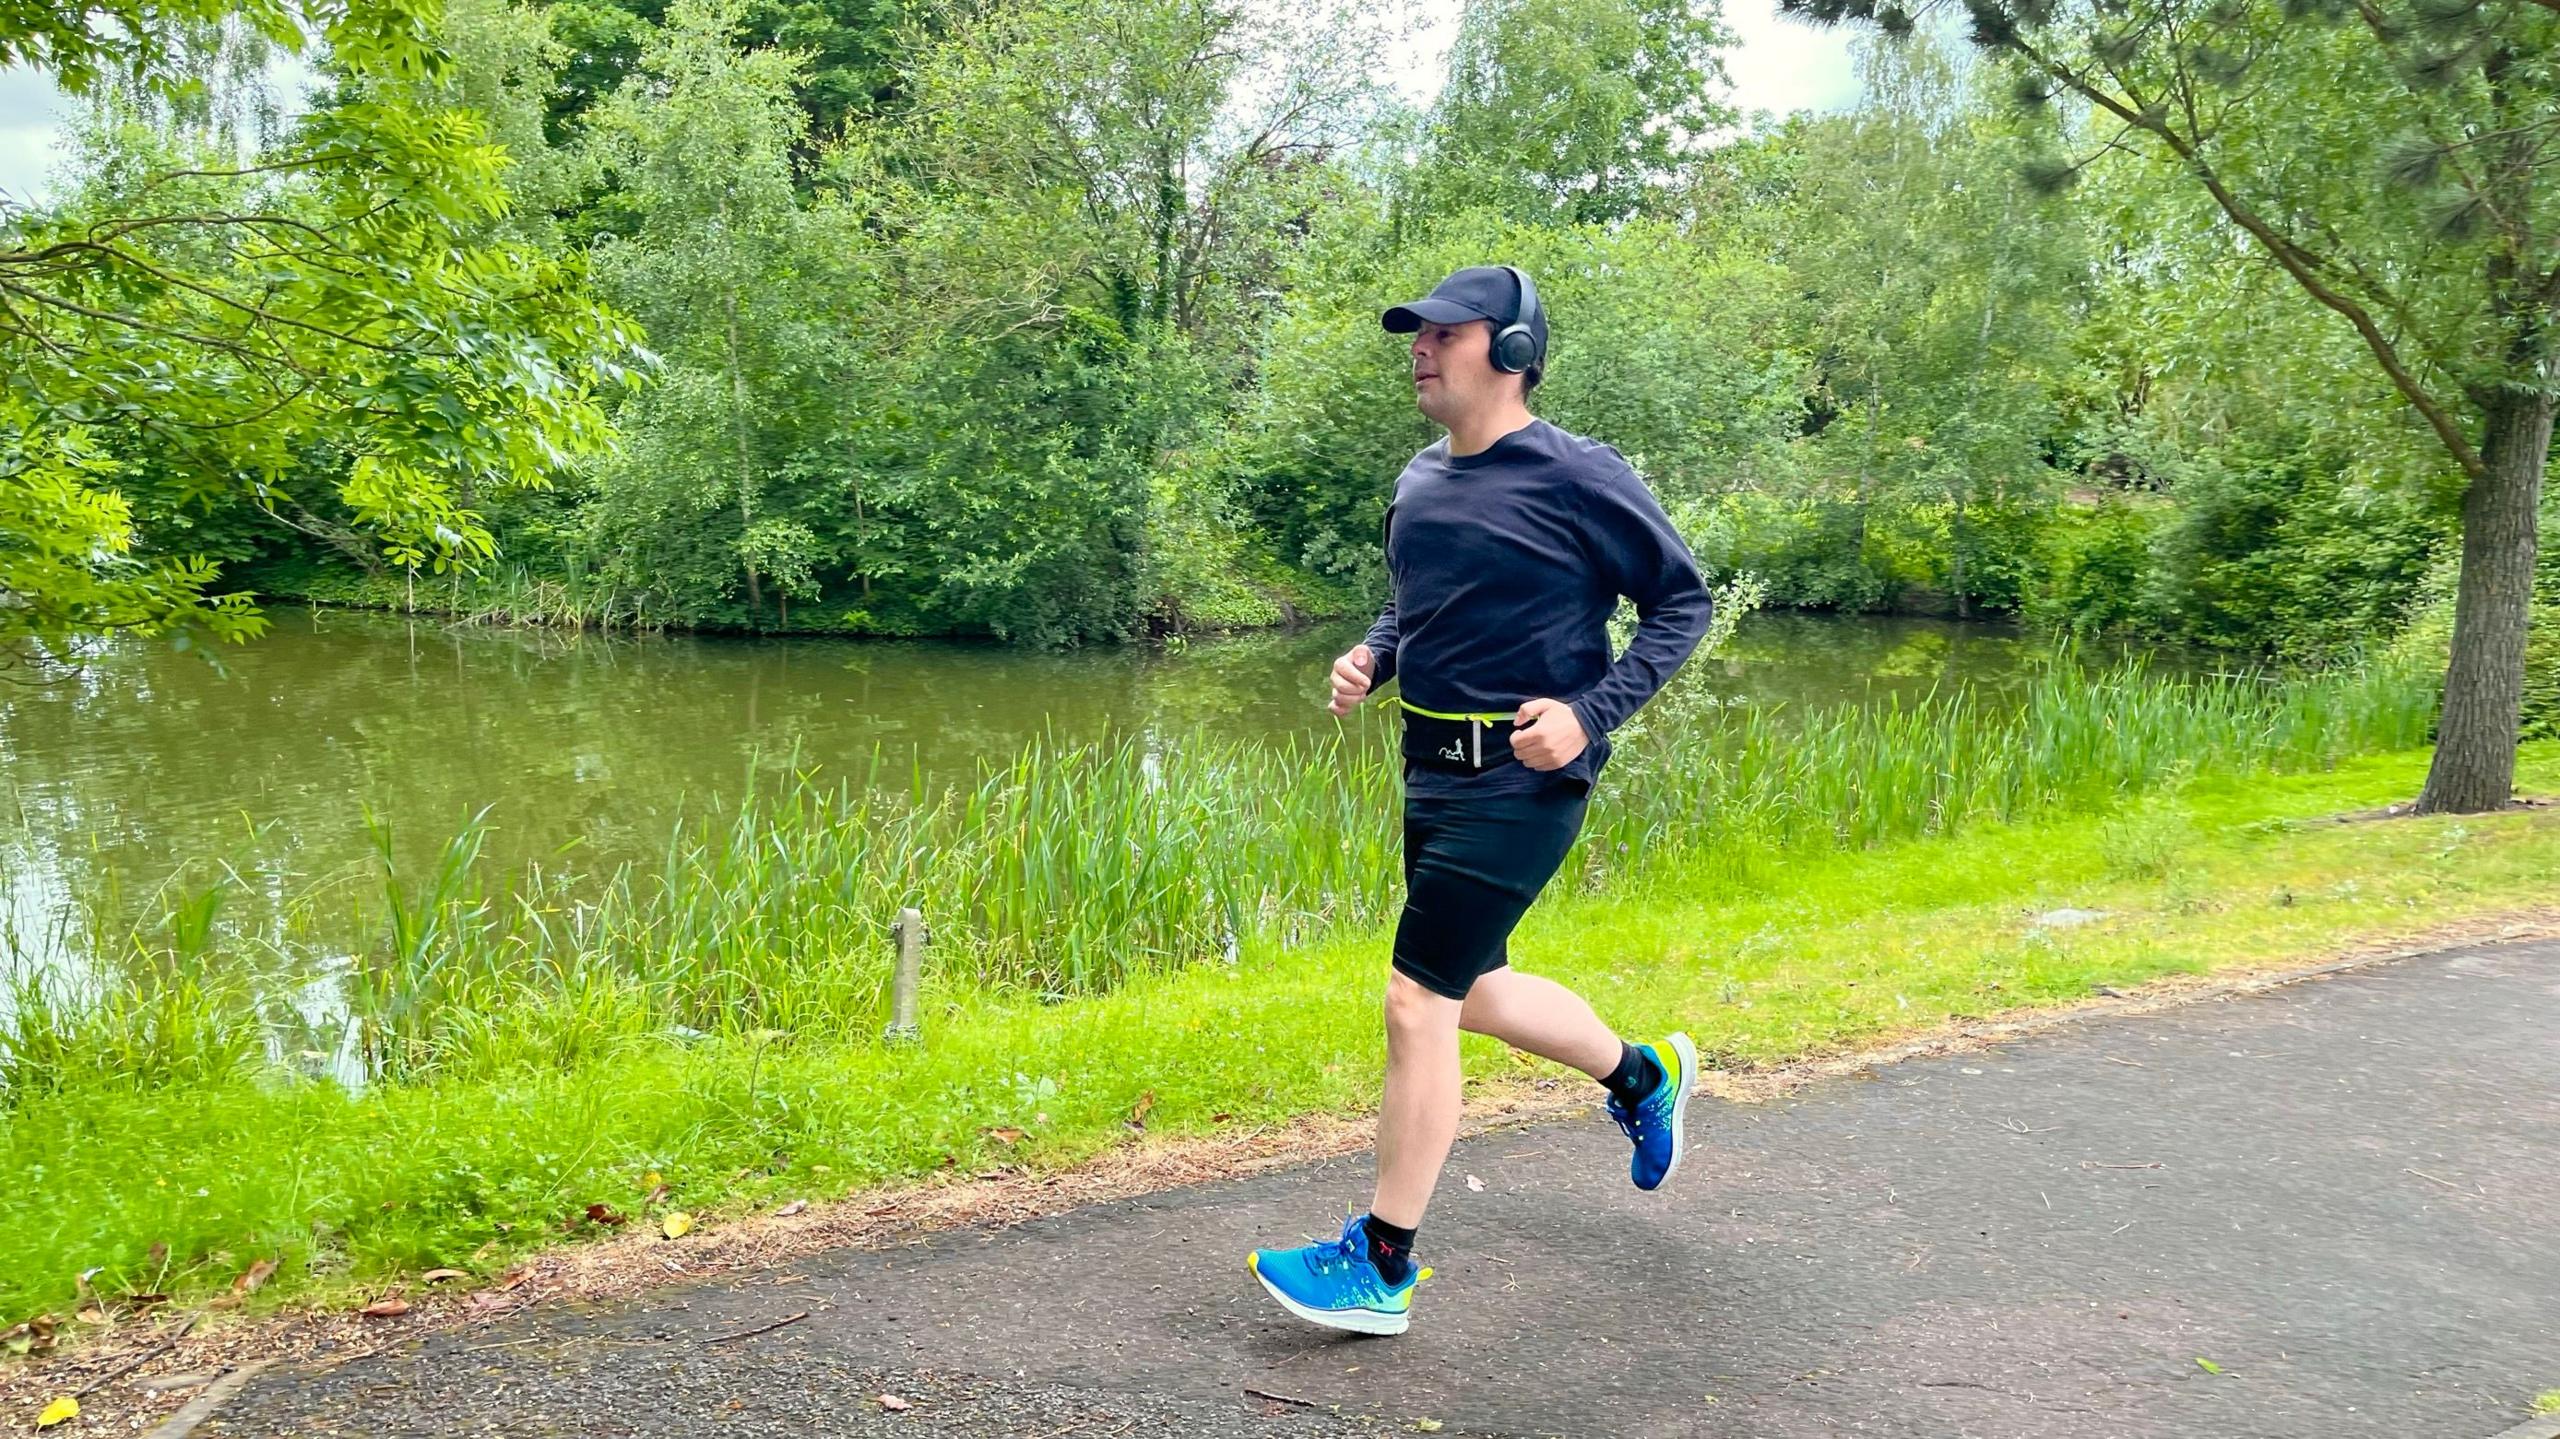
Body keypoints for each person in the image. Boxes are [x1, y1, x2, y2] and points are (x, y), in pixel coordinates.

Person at [1247, 265, 1716, 1335]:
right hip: (1428, 769)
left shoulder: (1578, 475)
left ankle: (1381, 1262)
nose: (1418, 348)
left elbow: (1679, 605)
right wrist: (1374, 650)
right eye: (1414, 334)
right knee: (1478, 989)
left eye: (1443, 333)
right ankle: (1643, 1076)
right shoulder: (1419, 479)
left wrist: (1592, 713)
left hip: (1523, 778)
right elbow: (1418, 602)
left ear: (1509, 353)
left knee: (1416, 1001)